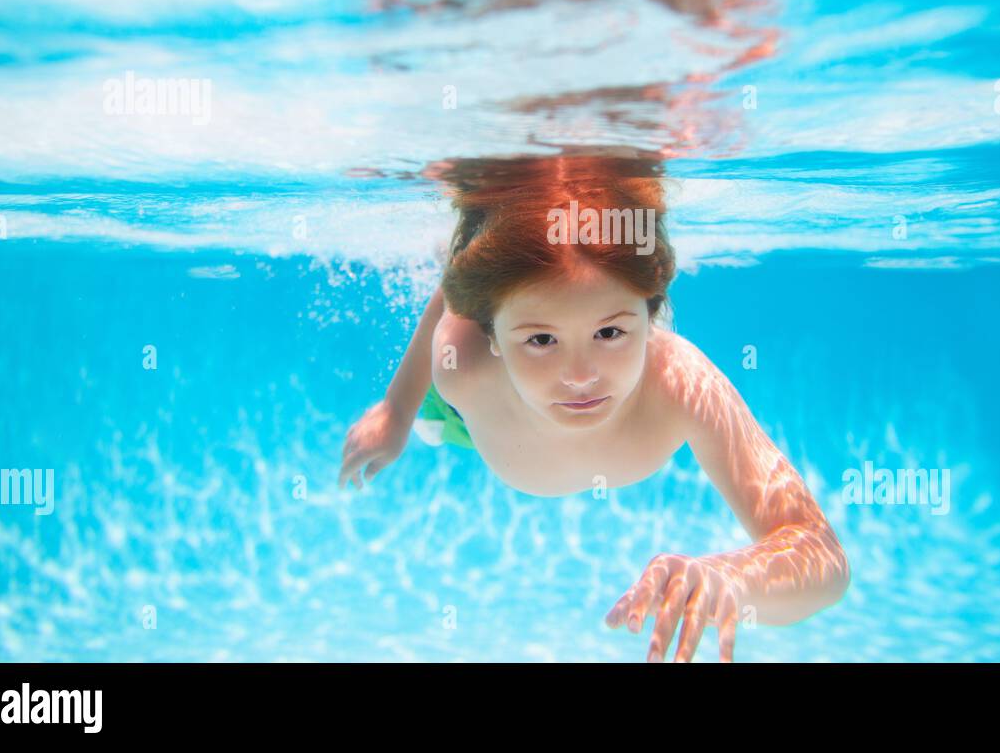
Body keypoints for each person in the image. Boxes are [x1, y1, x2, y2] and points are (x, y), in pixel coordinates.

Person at [339, 154, 849, 662]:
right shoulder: (464, 365)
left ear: (651, 315)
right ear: (490, 331)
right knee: (435, 415)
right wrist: (397, 414)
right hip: (476, 419)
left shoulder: (683, 384)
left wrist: (734, 579)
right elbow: (451, 300)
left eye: (610, 332)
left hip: (513, 405)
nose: (580, 376)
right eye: (541, 338)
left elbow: (821, 554)